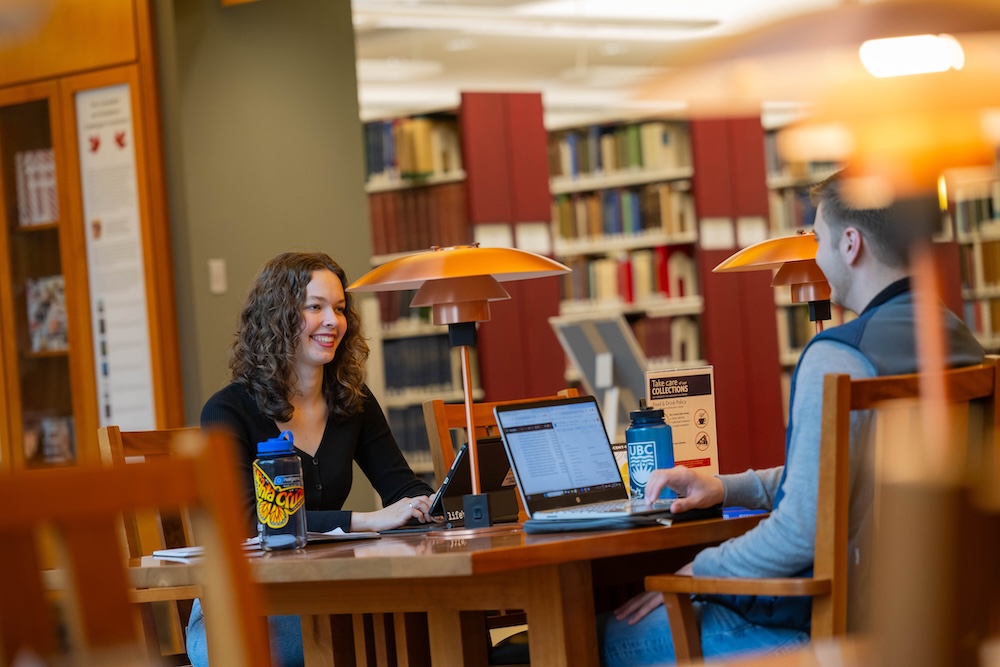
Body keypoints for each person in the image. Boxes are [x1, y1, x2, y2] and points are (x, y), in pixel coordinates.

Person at [598, 173, 985, 666]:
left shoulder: (841, 356)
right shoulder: (959, 341)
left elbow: (800, 532)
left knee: (604, 634)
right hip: (939, 620)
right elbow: (849, 474)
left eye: (820, 239)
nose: (817, 257)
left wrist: (697, 570)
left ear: (850, 244)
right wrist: (724, 487)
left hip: (839, 632)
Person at [186, 251, 438, 667]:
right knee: (383, 641)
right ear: (277, 317)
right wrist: (370, 519)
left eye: (339, 309)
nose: (332, 321)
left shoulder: (351, 401)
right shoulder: (228, 410)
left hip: (327, 591)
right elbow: (249, 522)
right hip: (244, 612)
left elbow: (401, 485)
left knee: (418, 628)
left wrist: (422, 503)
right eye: (314, 307)